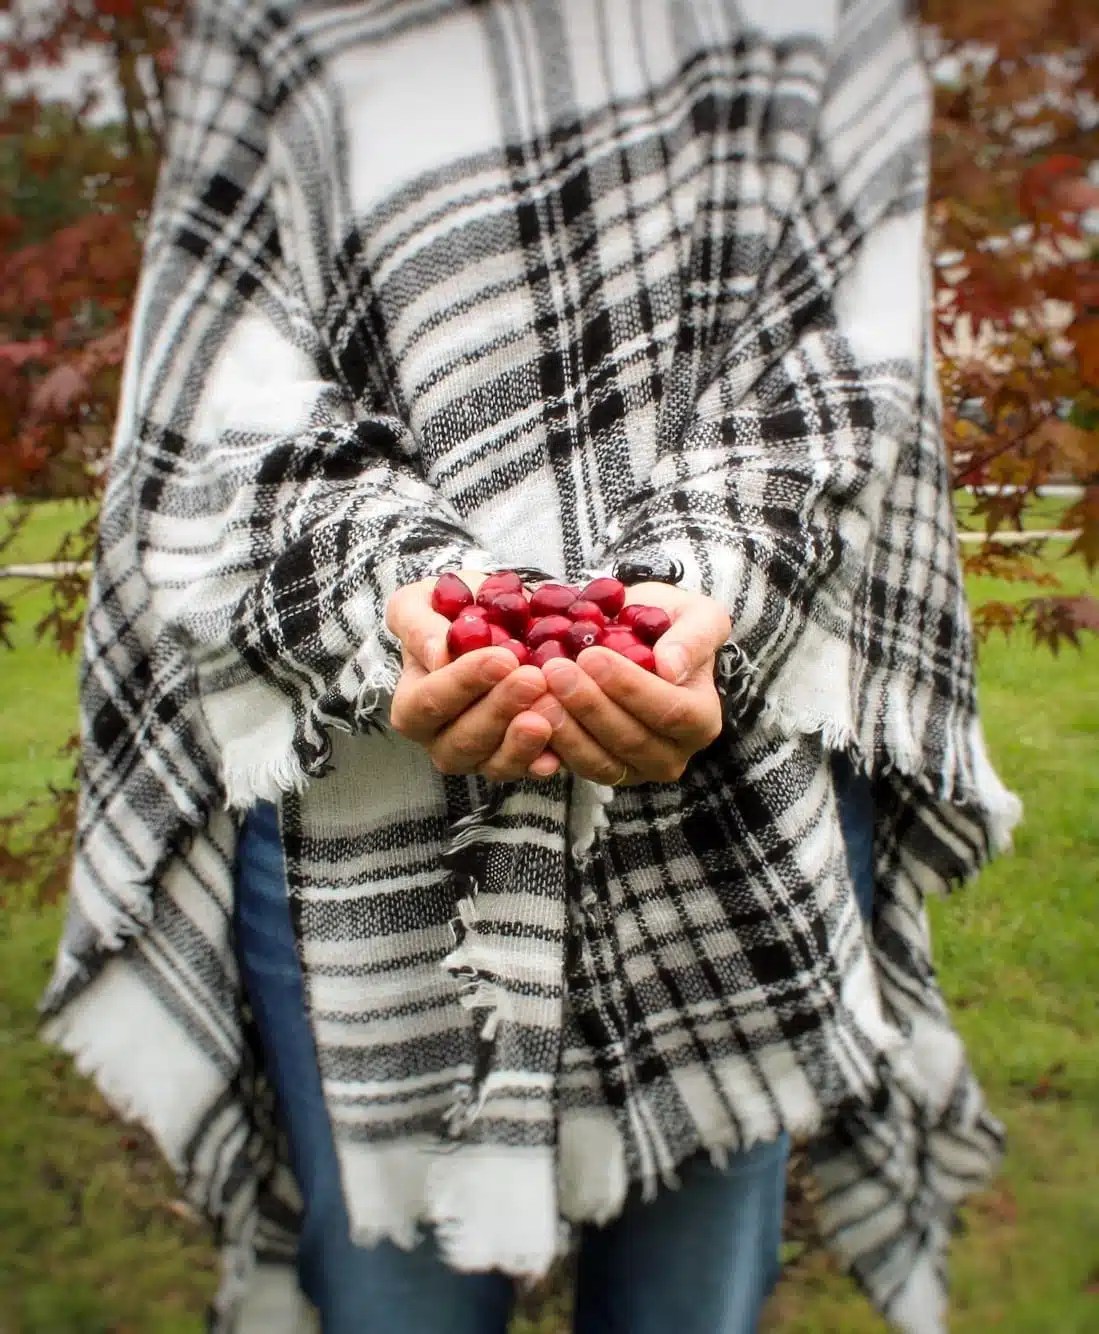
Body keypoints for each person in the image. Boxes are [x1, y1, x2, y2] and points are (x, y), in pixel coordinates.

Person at [41, 1, 1021, 1331]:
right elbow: (218, 396)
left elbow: (846, 374)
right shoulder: (281, 20)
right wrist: (393, 594)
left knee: (688, 1312)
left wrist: (698, 591)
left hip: (733, 804)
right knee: (389, 1304)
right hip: (366, 809)